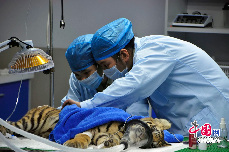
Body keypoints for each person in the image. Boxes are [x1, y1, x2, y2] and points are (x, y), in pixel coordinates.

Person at [63, 18, 229, 136]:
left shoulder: (154, 51)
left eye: (106, 65)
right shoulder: (139, 60)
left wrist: (86, 105)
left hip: (211, 115)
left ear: (124, 54)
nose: (106, 71)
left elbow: (133, 88)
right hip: (187, 123)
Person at [60, 34, 149, 116]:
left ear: (100, 65)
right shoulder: (75, 79)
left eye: (87, 73)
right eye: (77, 75)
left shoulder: (123, 76)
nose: (83, 79)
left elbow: (136, 113)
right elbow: (68, 107)